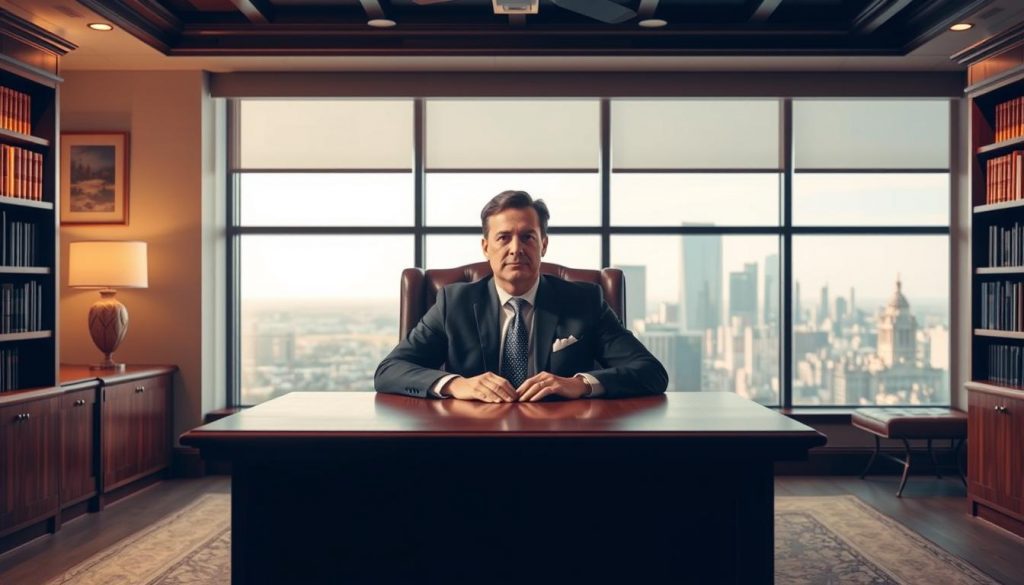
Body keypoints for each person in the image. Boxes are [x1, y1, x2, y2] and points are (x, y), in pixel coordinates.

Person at [374, 190, 668, 402]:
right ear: (486, 247)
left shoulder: (585, 301)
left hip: (563, 442)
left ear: (544, 245)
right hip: (471, 441)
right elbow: (390, 370)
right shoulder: (455, 303)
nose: (516, 248)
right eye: (503, 238)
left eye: (528, 236)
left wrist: (580, 384)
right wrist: (455, 384)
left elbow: (651, 372)